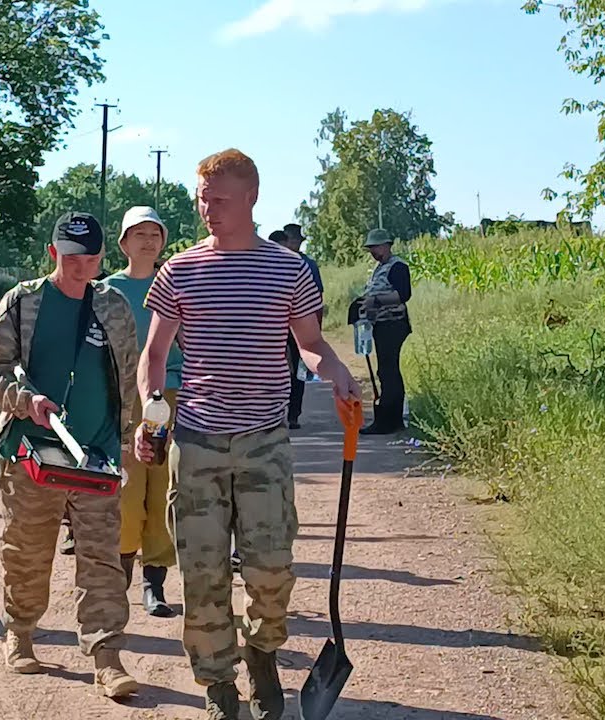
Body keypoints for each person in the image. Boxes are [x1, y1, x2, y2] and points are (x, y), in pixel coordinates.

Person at [136, 149, 362, 720]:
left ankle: (262, 652)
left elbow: (308, 343)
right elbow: (155, 353)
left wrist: (335, 374)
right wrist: (152, 409)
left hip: (263, 441)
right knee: (202, 571)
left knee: (271, 567)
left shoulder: (288, 270)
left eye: (219, 200)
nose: (207, 209)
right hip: (198, 441)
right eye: (202, 199)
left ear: (251, 198)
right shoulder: (180, 270)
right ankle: (218, 687)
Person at [0, 211, 141, 698]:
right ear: (54, 254)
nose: (81, 266)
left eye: (90, 258)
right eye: (71, 258)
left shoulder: (114, 306)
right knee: (27, 551)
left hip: (96, 454)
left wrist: (128, 437)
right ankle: (20, 632)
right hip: (31, 454)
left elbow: (128, 378)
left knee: (102, 560)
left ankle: (107, 655)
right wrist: (24, 401)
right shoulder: (23, 302)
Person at [102, 205, 185, 619]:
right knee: (126, 488)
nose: (148, 241)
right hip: (122, 398)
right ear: (123, 243)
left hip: (168, 393)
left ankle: (156, 584)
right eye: (139, 234)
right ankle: (120, 579)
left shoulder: (174, 284)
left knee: (164, 486)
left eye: (155, 234)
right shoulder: (105, 291)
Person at [358, 228, 413, 434]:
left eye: (376, 247)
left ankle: (388, 420)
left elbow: (403, 294)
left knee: (388, 372)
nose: (373, 252)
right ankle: (392, 419)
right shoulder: (379, 268)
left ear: (387, 245)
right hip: (381, 324)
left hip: (393, 323)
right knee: (385, 371)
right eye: (371, 248)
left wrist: (376, 301)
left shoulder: (397, 266)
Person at [271, 225, 324, 429]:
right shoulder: (268, 264)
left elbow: (316, 298)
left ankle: (293, 414)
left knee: (298, 372)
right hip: (275, 326)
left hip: (296, 326)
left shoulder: (307, 265)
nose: (296, 244)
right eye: (294, 241)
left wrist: (315, 330)